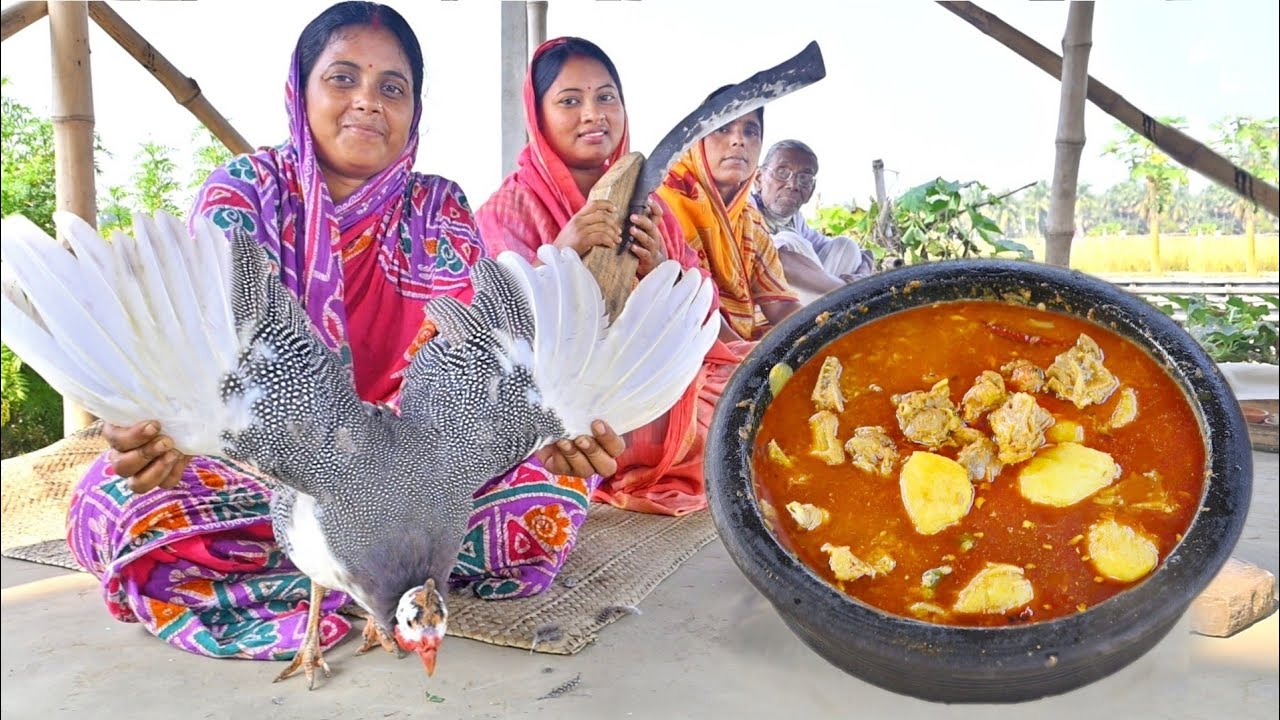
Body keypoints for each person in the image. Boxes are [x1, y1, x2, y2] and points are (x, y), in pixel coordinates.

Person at [66, 2, 623, 662]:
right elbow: (205, 351)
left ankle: (354, 576)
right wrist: (164, 427)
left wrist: (532, 423)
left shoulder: (438, 208)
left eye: (392, 87)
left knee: (552, 477)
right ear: (300, 91)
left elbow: (461, 361)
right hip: (271, 464)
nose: (367, 102)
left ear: (414, 108)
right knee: (118, 505)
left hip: (416, 464)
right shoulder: (246, 192)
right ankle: (376, 576)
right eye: (342, 79)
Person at [476, 37, 740, 516]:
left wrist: (663, 272)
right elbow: (490, 321)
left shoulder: (650, 203)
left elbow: (706, 316)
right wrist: (561, 251)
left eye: (606, 97)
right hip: (554, 399)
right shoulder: (510, 206)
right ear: (537, 114)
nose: (593, 114)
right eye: (570, 101)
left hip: (647, 384)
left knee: (745, 390)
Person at [656, 102, 802, 342]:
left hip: (738, 343)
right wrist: (747, 358)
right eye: (722, 128)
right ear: (697, 138)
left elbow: (779, 305)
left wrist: (824, 332)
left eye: (750, 131)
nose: (739, 141)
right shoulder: (663, 205)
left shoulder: (749, 221)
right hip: (679, 345)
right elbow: (682, 310)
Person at [751, 139, 875, 304]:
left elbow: (862, 254)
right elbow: (774, 258)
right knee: (788, 240)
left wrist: (864, 276)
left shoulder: (795, 221)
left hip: (806, 303)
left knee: (846, 246)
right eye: (782, 172)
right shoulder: (747, 209)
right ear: (758, 178)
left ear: (811, 190)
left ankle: (827, 312)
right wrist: (845, 289)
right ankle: (840, 302)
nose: (793, 184)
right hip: (767, 308)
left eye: (804, 178)